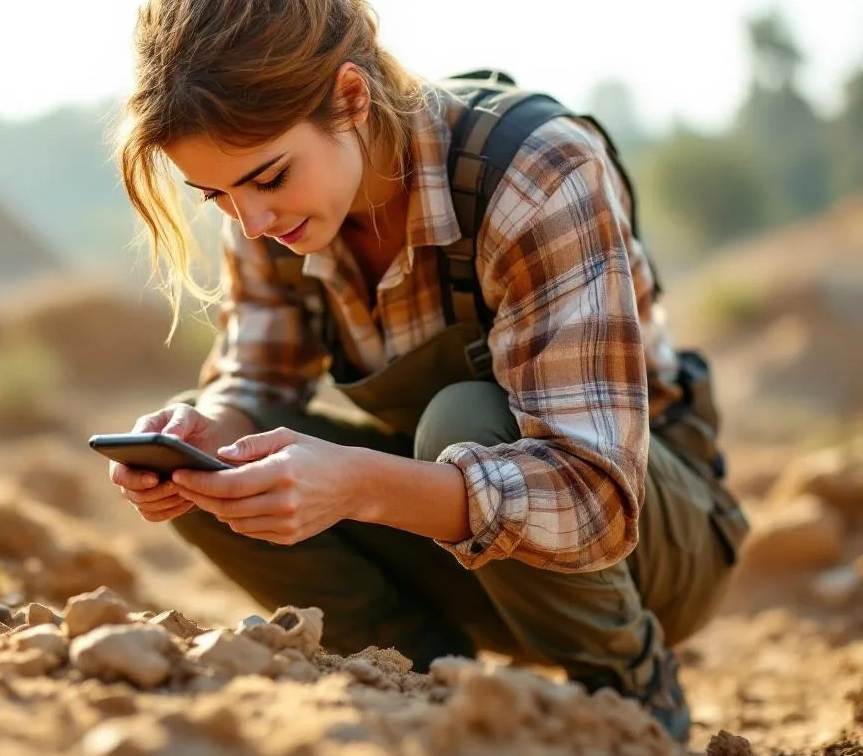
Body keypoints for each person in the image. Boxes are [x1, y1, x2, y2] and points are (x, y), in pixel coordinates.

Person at [106, 0, 749, 744]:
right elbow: (258, 376)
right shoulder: (270, 208)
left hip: (645, 556)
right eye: (217, 197)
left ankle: (626, 689)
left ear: (350, 99)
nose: (250, 223)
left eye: (269, 179)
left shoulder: (537, 169)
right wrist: (209, 434)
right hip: (466, 552)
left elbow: (595, 501)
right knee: (210, 455)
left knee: (461, 418)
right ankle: (417, 680)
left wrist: (354, 481)